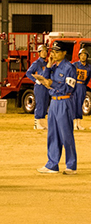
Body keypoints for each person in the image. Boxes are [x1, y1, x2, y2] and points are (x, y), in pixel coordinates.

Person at [32, 41, 77, 174]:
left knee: (66, 135)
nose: (54, 54)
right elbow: (45, 80)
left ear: (64, 53)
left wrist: (53, 83)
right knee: (52, 134)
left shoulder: (70, 68)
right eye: (53, 51)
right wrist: (49, 65)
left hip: (64, 102)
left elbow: (69, 87)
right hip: (54, 103)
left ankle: (71, 165)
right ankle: (52, 164)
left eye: (57, 52)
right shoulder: (54, 67)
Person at [26, 45, 50, 130]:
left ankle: (42, 123)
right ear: (39, 53)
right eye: (42, 51)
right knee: (40, 104)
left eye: (45, 51)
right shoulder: (36, 63)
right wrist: (35, 80)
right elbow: (28, 73)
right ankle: (37, 123)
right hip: (40, 87)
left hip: (46, 86)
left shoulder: (47, 63)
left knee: (45, 104)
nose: (44, 53)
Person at [72, 48, 91, 130]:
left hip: (82, 87)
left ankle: (79, 123)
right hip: (74, 86)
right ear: (79, 56)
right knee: (73, 104)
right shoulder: (74, 65)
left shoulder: (89, 67)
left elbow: (88, 78)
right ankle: (74, 124)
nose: (83, 57)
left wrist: (83, 85)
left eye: (85, 55)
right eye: (81, 55)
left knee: (80, 104)